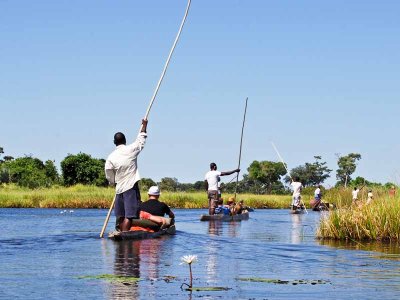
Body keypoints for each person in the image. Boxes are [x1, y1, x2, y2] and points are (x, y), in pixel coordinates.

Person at [105, 119, 148, 232]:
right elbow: (140, 141)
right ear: (125, 140)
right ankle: (123, 234)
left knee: (120, 216)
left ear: (114, 142)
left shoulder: (111, 157)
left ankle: (119, 235)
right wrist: (144, 125)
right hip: (130, 188)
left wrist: (112, 182)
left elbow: (109, 173)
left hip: (119, 189)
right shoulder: (130, 149)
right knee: (129, 216)